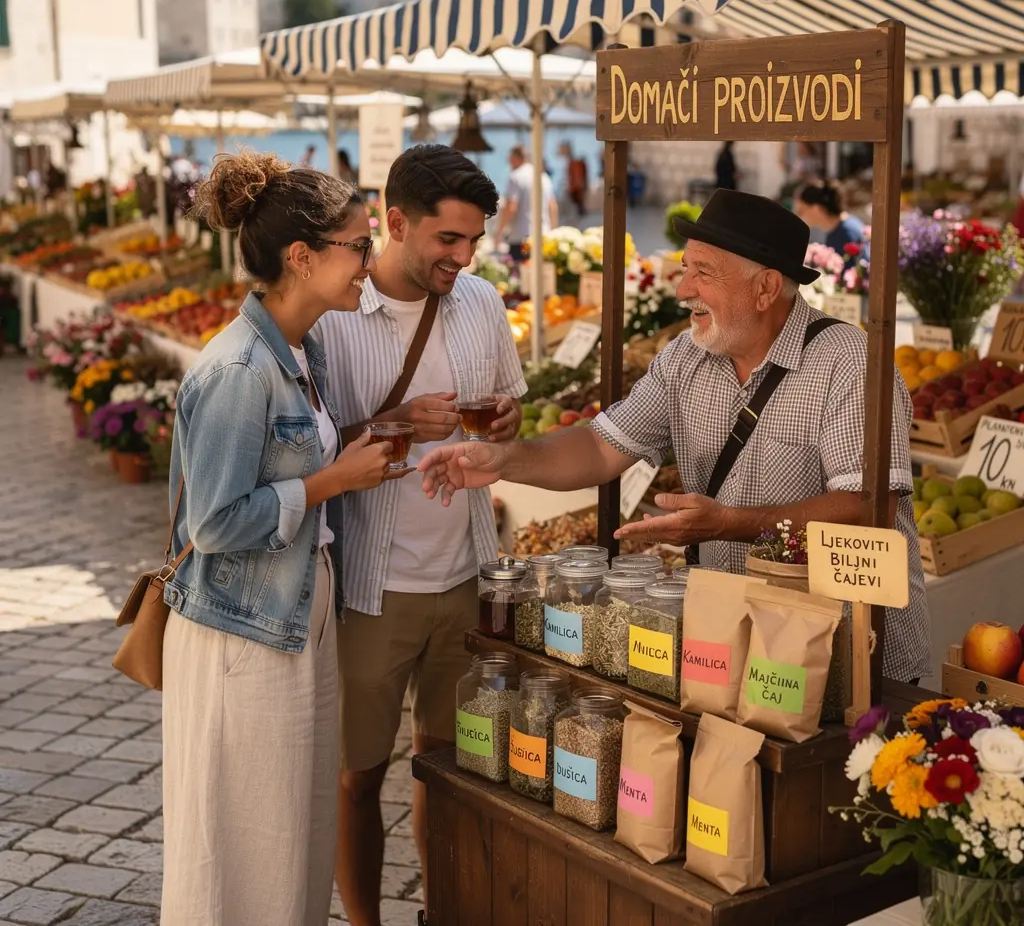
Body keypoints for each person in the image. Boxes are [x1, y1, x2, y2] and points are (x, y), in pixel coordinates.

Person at [420, 188, 931, 686]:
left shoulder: (848, 363)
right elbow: (602, 445)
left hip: (846, 654)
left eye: (702, 273)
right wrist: (506, 459)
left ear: (766, 288)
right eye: (686, 268)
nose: (682, 288)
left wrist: (729, 524)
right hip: (733, 643)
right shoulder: (685, 357)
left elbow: (871, 506)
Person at [162, 151, 397, 925]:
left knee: (292, 833)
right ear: (302, 257)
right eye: (359, 246)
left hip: (294, 616)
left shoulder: (303, 349)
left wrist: (384, 433)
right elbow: (217, 521)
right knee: (242, 844)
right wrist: (335, 482)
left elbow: (302, 454)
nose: (370, 262)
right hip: (244, 635)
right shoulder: (236, 368)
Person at [315, 144, 526, 926]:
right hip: (372, 587)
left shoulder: (480, 301)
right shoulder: (334, 317)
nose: (463, 257)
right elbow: (308, 450)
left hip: (466, 575)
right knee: (356, 777)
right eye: (448, 240)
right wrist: (391, 423)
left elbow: (508, 410)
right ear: (395, 221)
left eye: (473, 241)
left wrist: (506, 419)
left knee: (447, 770)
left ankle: (444, 913)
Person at [494, 143, 558, 261]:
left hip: (521, 238)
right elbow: (552, 206)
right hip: (544, 237)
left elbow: (511, 207)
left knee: (520, 276)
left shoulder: (515, 177)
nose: (510, 164)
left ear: (517, 158)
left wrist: (499, 232)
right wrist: (554, 231)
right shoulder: (543, 177)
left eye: (511, 160)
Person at [795, 180, 868, 258]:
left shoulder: (848, 233)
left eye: (801, 209)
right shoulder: (836, 230)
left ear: (816, 209)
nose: (799, 215)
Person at [561, 141, 589, 217]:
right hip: (575, 187)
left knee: (576, 205)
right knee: (576, 205)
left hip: (576, 187)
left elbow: (577, 177)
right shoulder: (573, 163)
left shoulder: (575, 163)